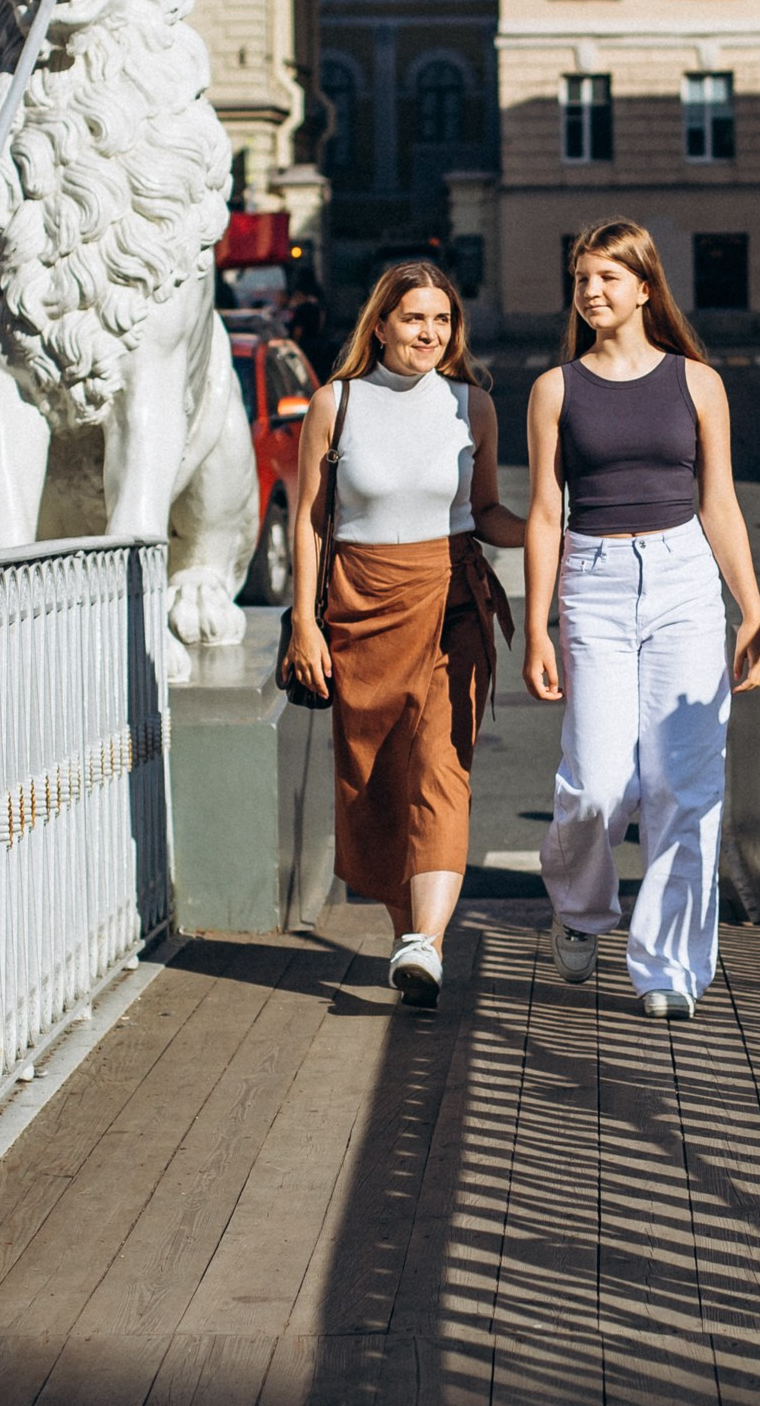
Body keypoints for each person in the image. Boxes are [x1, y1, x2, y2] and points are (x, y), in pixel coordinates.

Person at [523, 220, 760, 1021]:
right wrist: (537, 627)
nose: (591, 292)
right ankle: (580, 908)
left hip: (684, 579)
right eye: (581, 280)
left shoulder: (697, 382)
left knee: (681, 784)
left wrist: (753, 609)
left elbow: (721, 502)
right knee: (596, 785)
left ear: (643, 286)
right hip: (592, 582)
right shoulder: (555, 389)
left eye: (605, 277)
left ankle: (666, 965)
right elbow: (541, 515)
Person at [285, 261, 524, 1009]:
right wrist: (302, 622)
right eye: (415, 318)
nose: (430, 333)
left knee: (439, 769)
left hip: (451, 595)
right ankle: (409, 938)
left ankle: (427, 940)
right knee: (377, 783)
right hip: (358, 604)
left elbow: (486, 510)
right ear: (381, 324)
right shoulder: (337, 404)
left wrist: (549, 532)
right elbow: (309, 523)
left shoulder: (470, 405)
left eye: (443, 321)